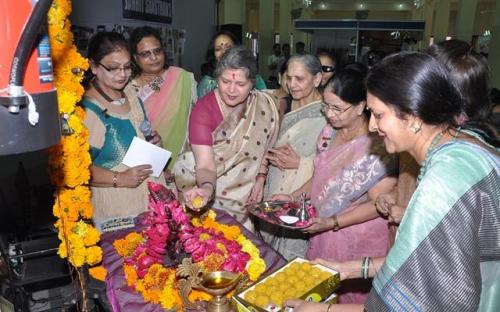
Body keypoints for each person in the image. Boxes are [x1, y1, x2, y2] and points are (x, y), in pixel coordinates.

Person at [286, 52, 499, 311]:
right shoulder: (463, 144)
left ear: (410, 115)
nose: (373, 126)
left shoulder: (443, 182)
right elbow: (418, 261)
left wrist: (326, 310)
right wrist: (348, 269)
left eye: (378, 114)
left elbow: (419, 303)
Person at [272, 65, 397, 303]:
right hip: (324, 234)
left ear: (362, 106)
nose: (330, 114)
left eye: (337, 108)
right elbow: (321, 179)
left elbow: (378, 206)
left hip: (359, 240)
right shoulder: (329, 132)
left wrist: (333, 222)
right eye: (326, 106)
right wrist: (294, 197)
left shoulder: (380, 145)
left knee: (354, 301)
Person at [173, 46, 279, 230]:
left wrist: (261, 177)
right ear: (216, 79)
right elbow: (205, 165)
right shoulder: (203, 110)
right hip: (211, 189)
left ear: (252, 83)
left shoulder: (262, 105)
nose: (231, 90)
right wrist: (206, 189)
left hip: (247, 196)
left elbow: (266, 147)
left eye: (240, 84)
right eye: (225, 81)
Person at [81, 32, 165, 230]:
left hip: (149, 203)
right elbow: (78, 171)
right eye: (112, 68)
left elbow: (140, 131)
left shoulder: (130, 93)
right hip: (116, 212)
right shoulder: (87, 112)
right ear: (94, 66)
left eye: (127, 67)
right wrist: (119, 178)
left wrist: (155, 141)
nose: (122, 74)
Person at [258, 54, 326, 259]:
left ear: (317, 79)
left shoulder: (328, 112)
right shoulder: (280, 105)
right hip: (273, 186)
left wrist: (301, 163)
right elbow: (263, 143)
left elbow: (336, 163)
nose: (292, 84)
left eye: (300, 79)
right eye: (289, 78)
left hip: (305, 191)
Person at [129, 26, 197, 172]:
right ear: (135, 58)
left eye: (157, 51)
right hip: (143, 166)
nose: (153, 58)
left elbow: (194, 121)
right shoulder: (128, 88)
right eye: (145, 54)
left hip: (182, 164)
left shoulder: (182, 78)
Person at [197, 30, 266, 98]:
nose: (224, 52)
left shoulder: (254, 78)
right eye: (218, 49)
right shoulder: (207, 84)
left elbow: (264, 103)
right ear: (213, 54)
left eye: (228, 47)